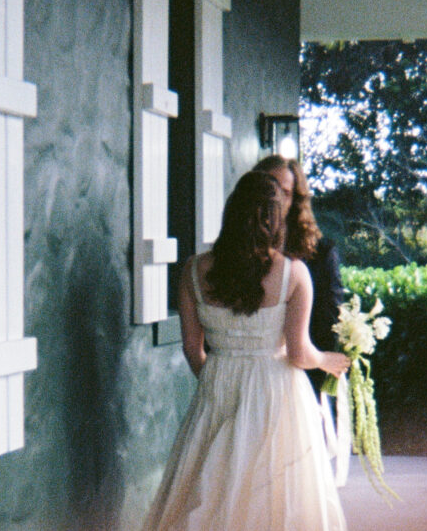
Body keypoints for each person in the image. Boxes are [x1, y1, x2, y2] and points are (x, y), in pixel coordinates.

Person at [141, 171, 350, 531]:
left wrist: (218, 377)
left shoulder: (193, 270)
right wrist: (328, 360)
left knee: (213, 488)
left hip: (217, 386)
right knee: (273, 494)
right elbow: (299, 353)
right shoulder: (294, 273)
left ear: (231, 212)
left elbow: (192, 348)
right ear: (276, 218)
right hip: (276, 393)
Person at [254, 154, 350, 486]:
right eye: (269, 187)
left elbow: (327, 324)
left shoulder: (320, 254)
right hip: (249, 383)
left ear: (296, 199)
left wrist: (313, 380)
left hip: (300, 379)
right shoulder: (235, 253)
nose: (275, 198)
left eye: (285, 191)